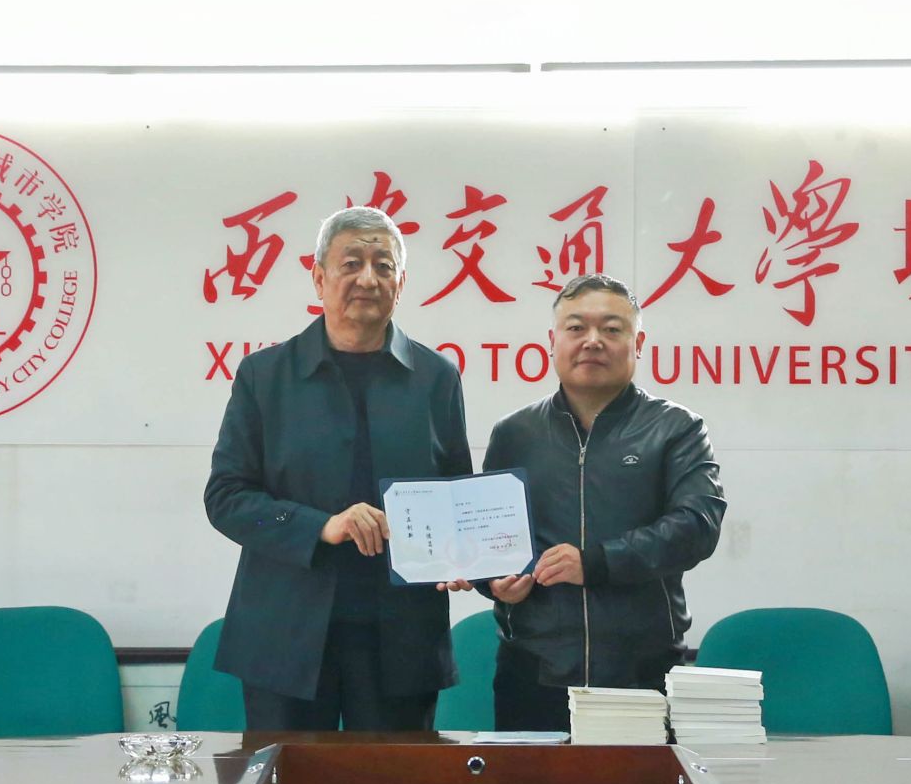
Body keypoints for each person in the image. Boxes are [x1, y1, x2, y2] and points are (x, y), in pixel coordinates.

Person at [205, 206, 472, 730]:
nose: (368, 279)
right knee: (287, 781)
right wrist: (321, 527)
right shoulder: (265, 376)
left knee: (398, 781)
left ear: (401, 283)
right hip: (285, 635)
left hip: (403, 637)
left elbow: (455, 495)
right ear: (319, 278)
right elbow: (227, 498)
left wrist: (462, 554)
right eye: (351, 264)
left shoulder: (436, 378)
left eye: (383, 266)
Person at [474, 273, 726, 730]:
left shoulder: (676, 429)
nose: (592, 341)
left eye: (611, 329)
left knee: (637, 781)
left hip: (642, 671)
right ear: (553, 341)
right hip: (533, 669)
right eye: (576, 328)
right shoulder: (514, 433)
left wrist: (595, 562)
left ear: (638, 343)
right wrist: (493, 581)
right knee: (531, 780)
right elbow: (490, 536)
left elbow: (697, 525)